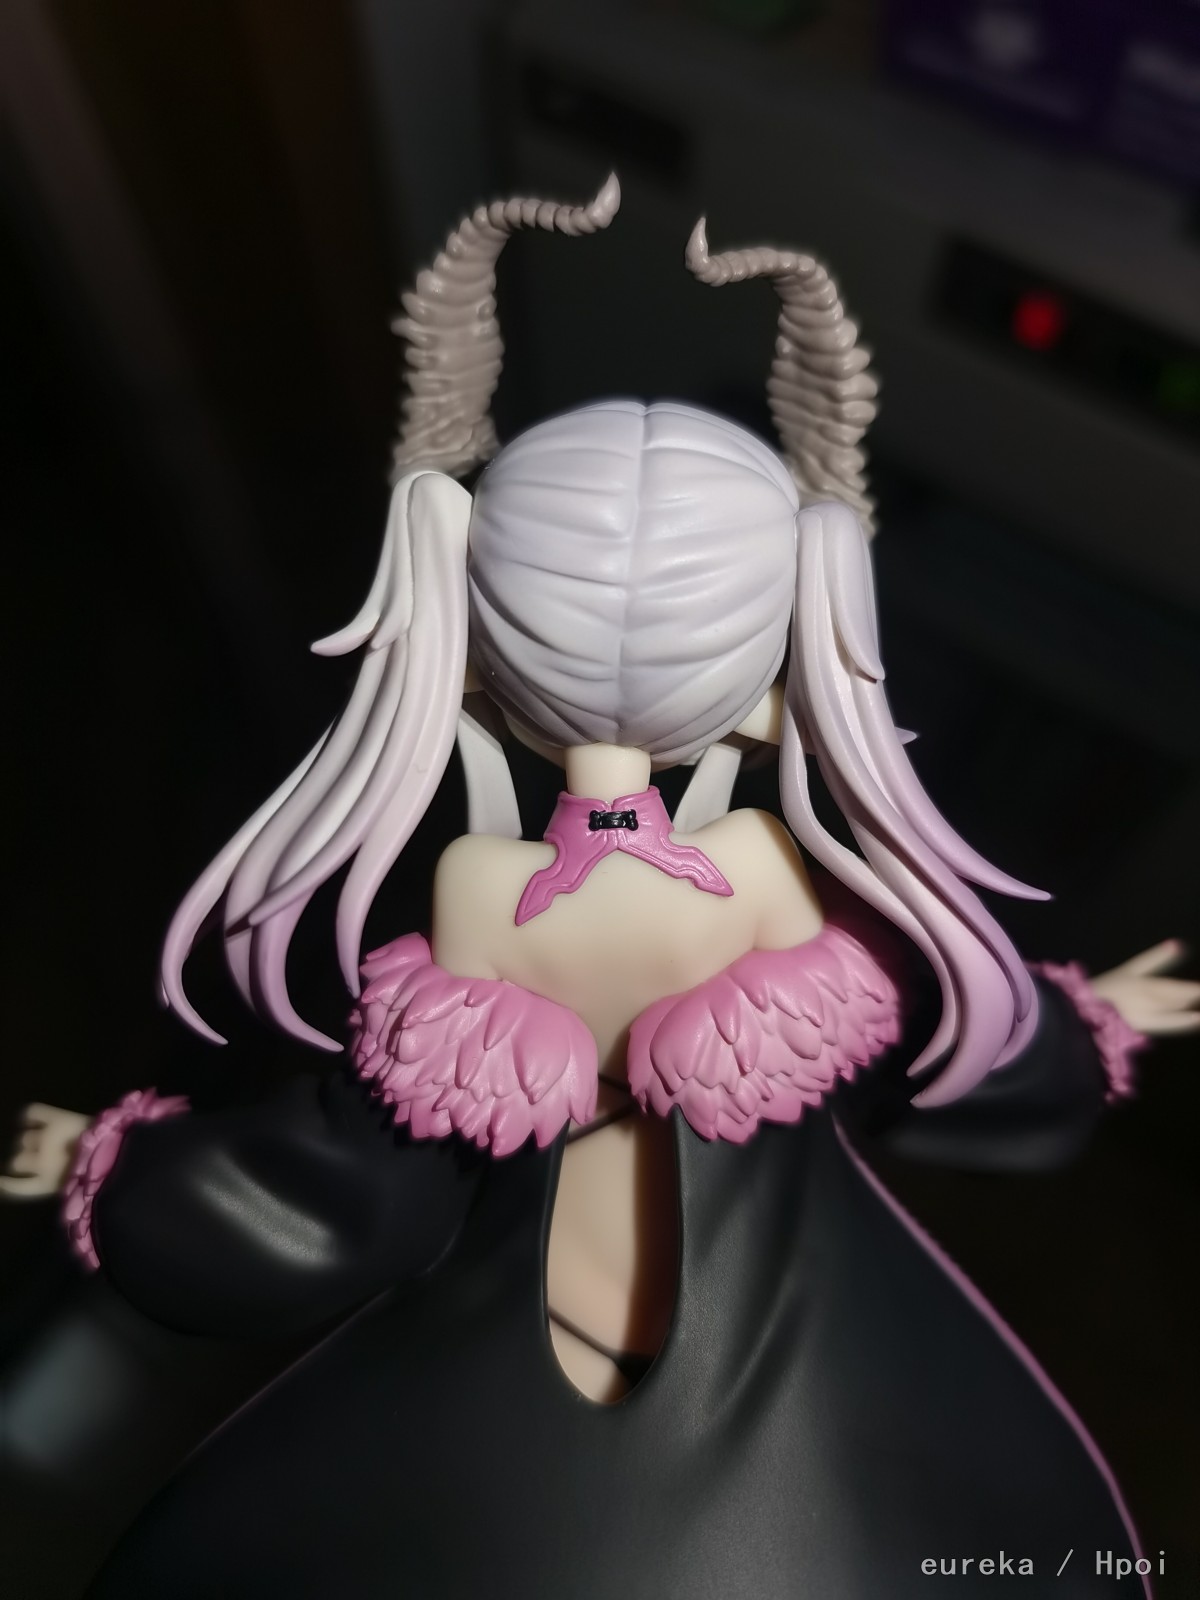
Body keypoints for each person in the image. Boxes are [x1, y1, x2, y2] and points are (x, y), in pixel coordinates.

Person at [6, 178, 1197, 1598]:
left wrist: (121, 1172)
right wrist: (1078, 1024)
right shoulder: (767, 871)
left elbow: (361, 1178)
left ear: (469, 663)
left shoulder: (479, 888)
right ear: (779, 684)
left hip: (497, 1420)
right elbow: (928, 1038)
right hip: (815, 1393)